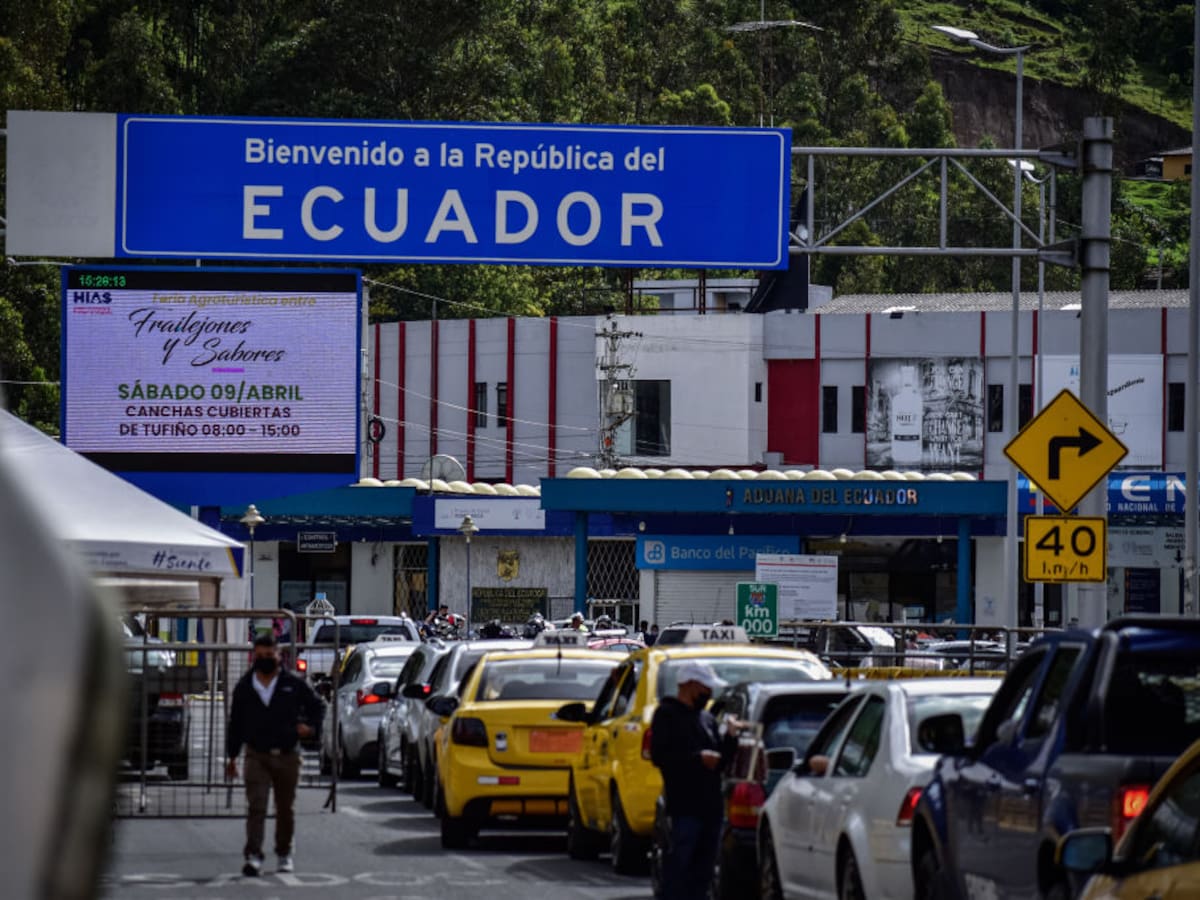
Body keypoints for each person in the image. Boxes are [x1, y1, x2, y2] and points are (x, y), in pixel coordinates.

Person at [226, 632, 325, 877]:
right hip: (256, 754)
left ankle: (284, 852)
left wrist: (310, 727)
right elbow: (235, 723)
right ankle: (253, 855)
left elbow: (318, 706)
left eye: (270, 655)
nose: (265, 660)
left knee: (285, 808)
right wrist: (232, 757)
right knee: (256, 806)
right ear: (253, 657)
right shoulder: (245, 687)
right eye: (260, 656)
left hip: (287, 754)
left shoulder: (292, 683)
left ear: (279, 656)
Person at [649, 661, 739, 900]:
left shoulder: (707, 719)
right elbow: (660, 756)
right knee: (679, 868)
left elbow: (720, 761)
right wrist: (696, 758)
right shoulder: (666, 715)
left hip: (710, 807)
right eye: (705, 687)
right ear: (689, 685)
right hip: (684, 807)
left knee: (705, 872)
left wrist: (731, 738)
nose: (708, 693)